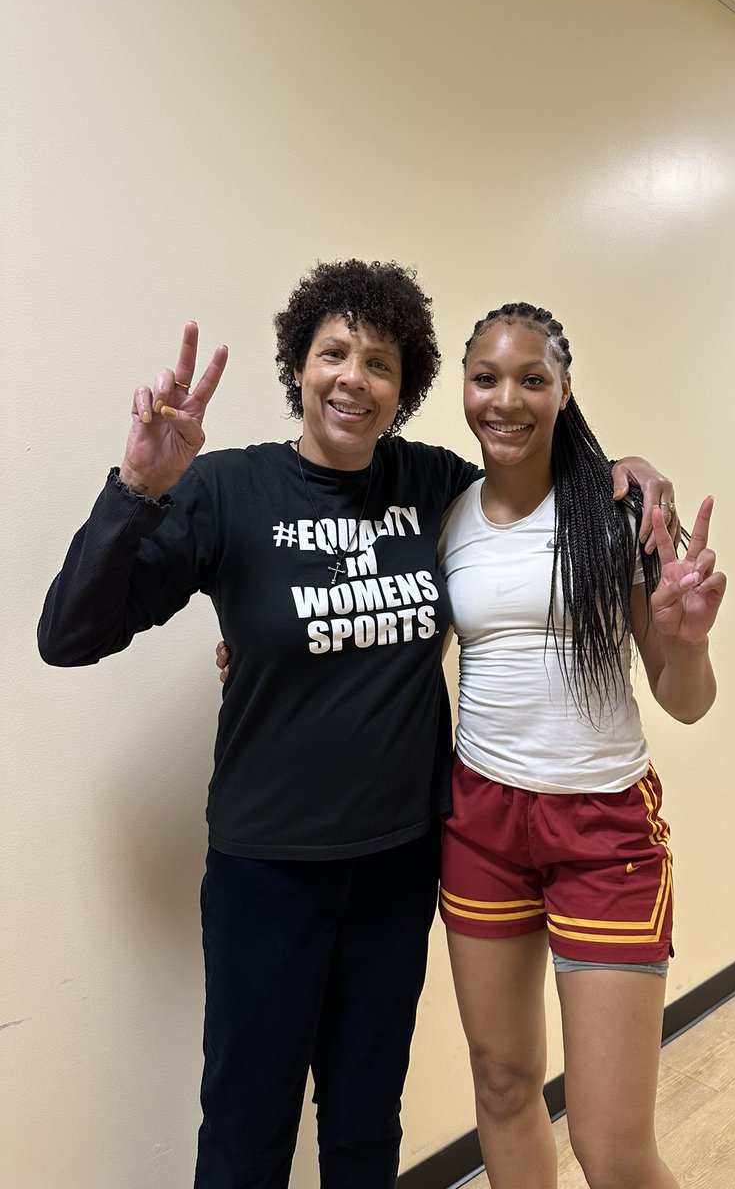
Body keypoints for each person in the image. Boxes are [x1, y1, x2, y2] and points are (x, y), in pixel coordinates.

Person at [38, 260, 677, 1189]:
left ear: (406, 388)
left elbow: (534, 480)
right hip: (268, 871)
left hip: (400, 861)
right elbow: (69, 635)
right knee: (249, 1129)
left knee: (366, 1123)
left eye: (380, 363)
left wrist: (626, 468)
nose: (354, 378)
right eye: (334, 353)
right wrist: (135, 489)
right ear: (298, 365)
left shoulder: (435, 488)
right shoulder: (225, 491)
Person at [437, 303, 726, 1189]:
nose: (506, 399)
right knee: (502, 1082)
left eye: (533, 379)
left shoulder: (617, 511)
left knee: (611, 1147)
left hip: (604, 830)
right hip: (480, 821)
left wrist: (688, 641)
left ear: (566, 391)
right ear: (464, 387)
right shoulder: (446, 516)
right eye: (486, 377)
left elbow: (687, 703)